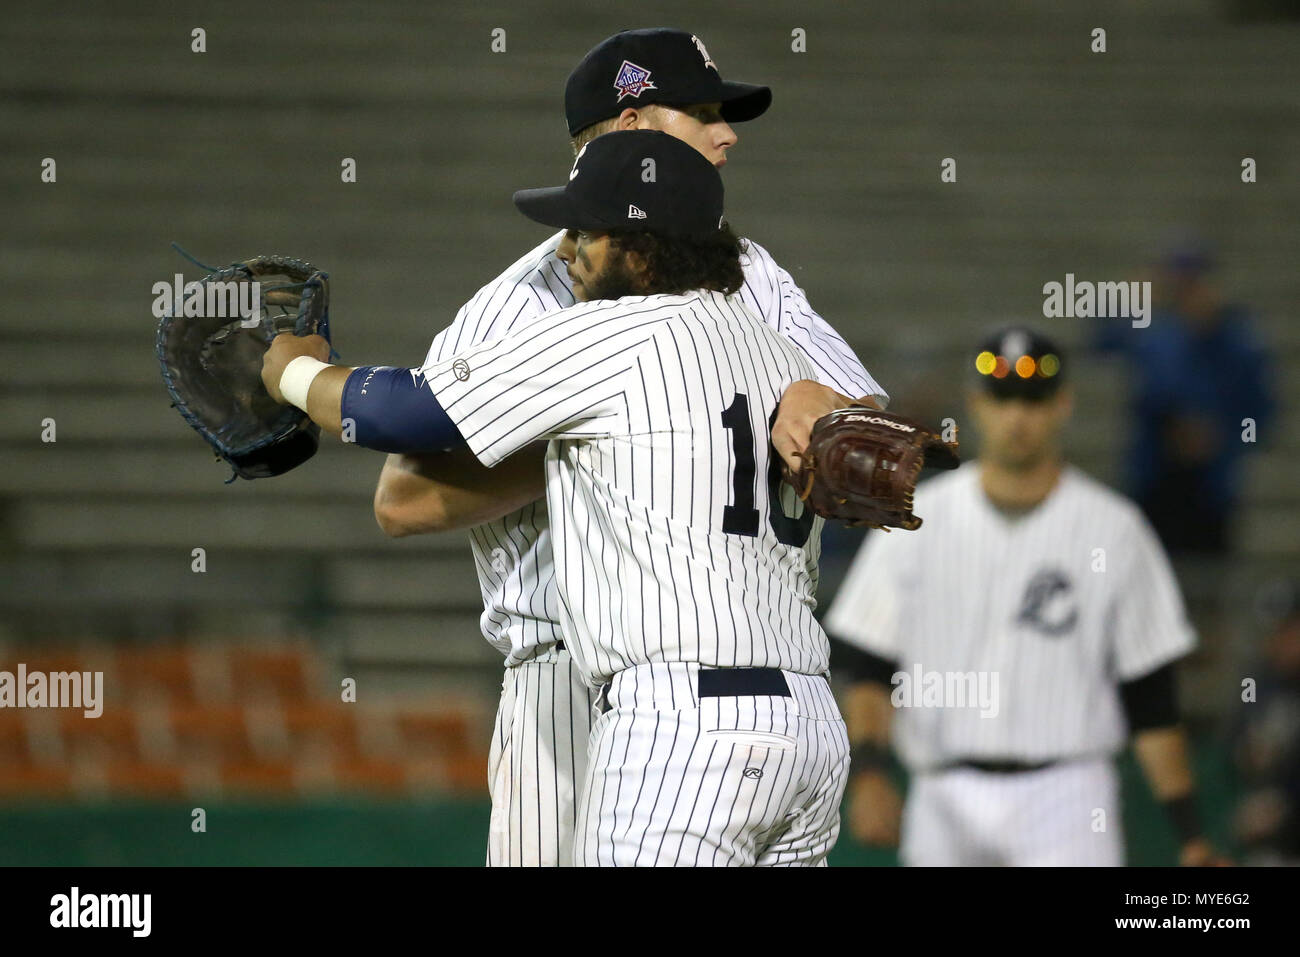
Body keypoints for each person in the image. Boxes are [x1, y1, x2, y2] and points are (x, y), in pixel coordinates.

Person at [366, 29, 886, 865]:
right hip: (567, 678)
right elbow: (400, 498)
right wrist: (617, 432)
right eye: (706, 112)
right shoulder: (526, 297)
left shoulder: (753, 272)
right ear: (635, 126)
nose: (729, 134)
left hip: (739, 671)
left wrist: (825, 402)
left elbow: (874, 443)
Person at [262, 130, 852, 866]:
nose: (566, 249)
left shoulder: (619, 331)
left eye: (586, 231)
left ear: (640, 251)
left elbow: (402, 413)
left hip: (685, 728)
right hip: (811, 729)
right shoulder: (785, 356)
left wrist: (290, 370)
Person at [827, 327, 1223, 866]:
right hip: (943, 792)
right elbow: (869, 664)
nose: (1017, 417)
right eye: (1003, 399)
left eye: (1033, 401)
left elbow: (1150, 695)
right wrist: (871, 774)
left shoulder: (1113, 529)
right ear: (976, 405)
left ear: (1062, 405)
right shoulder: (916, 520)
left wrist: (1191, 834)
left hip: (1069, 795)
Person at [1095, 236, 1277, 556]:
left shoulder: (1240, 345)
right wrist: (1124, 298)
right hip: (1155, 478)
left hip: (1211, 487)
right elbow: (1101, 342)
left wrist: (1224, 439)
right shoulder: (1153, 334)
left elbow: (1261, 413)